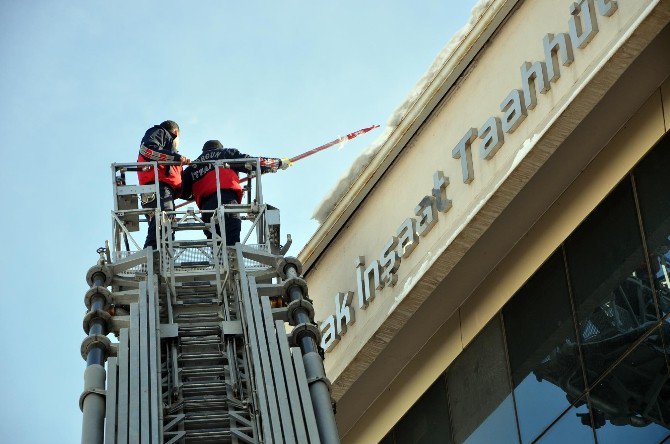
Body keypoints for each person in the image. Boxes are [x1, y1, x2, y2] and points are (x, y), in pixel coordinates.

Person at [181, 140, 287, 245]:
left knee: (216, 246)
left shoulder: (193, 166)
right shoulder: (226, 153)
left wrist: (198, 190)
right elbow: (253, 162)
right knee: (232, 243)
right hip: (227, 201)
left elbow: (182, 191)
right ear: (220, 148)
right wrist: (278, 163)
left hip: (206, 209)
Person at [137, 120, 190, 249]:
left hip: (160, 190)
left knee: (163, 226)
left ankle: (159, 257)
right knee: (163, 224)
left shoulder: (169, 155)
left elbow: (176, 181)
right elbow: (148, 150)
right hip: (159, 188)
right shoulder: (160, 133)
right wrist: (176, 158)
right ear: (176, 133)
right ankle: (153, 257)